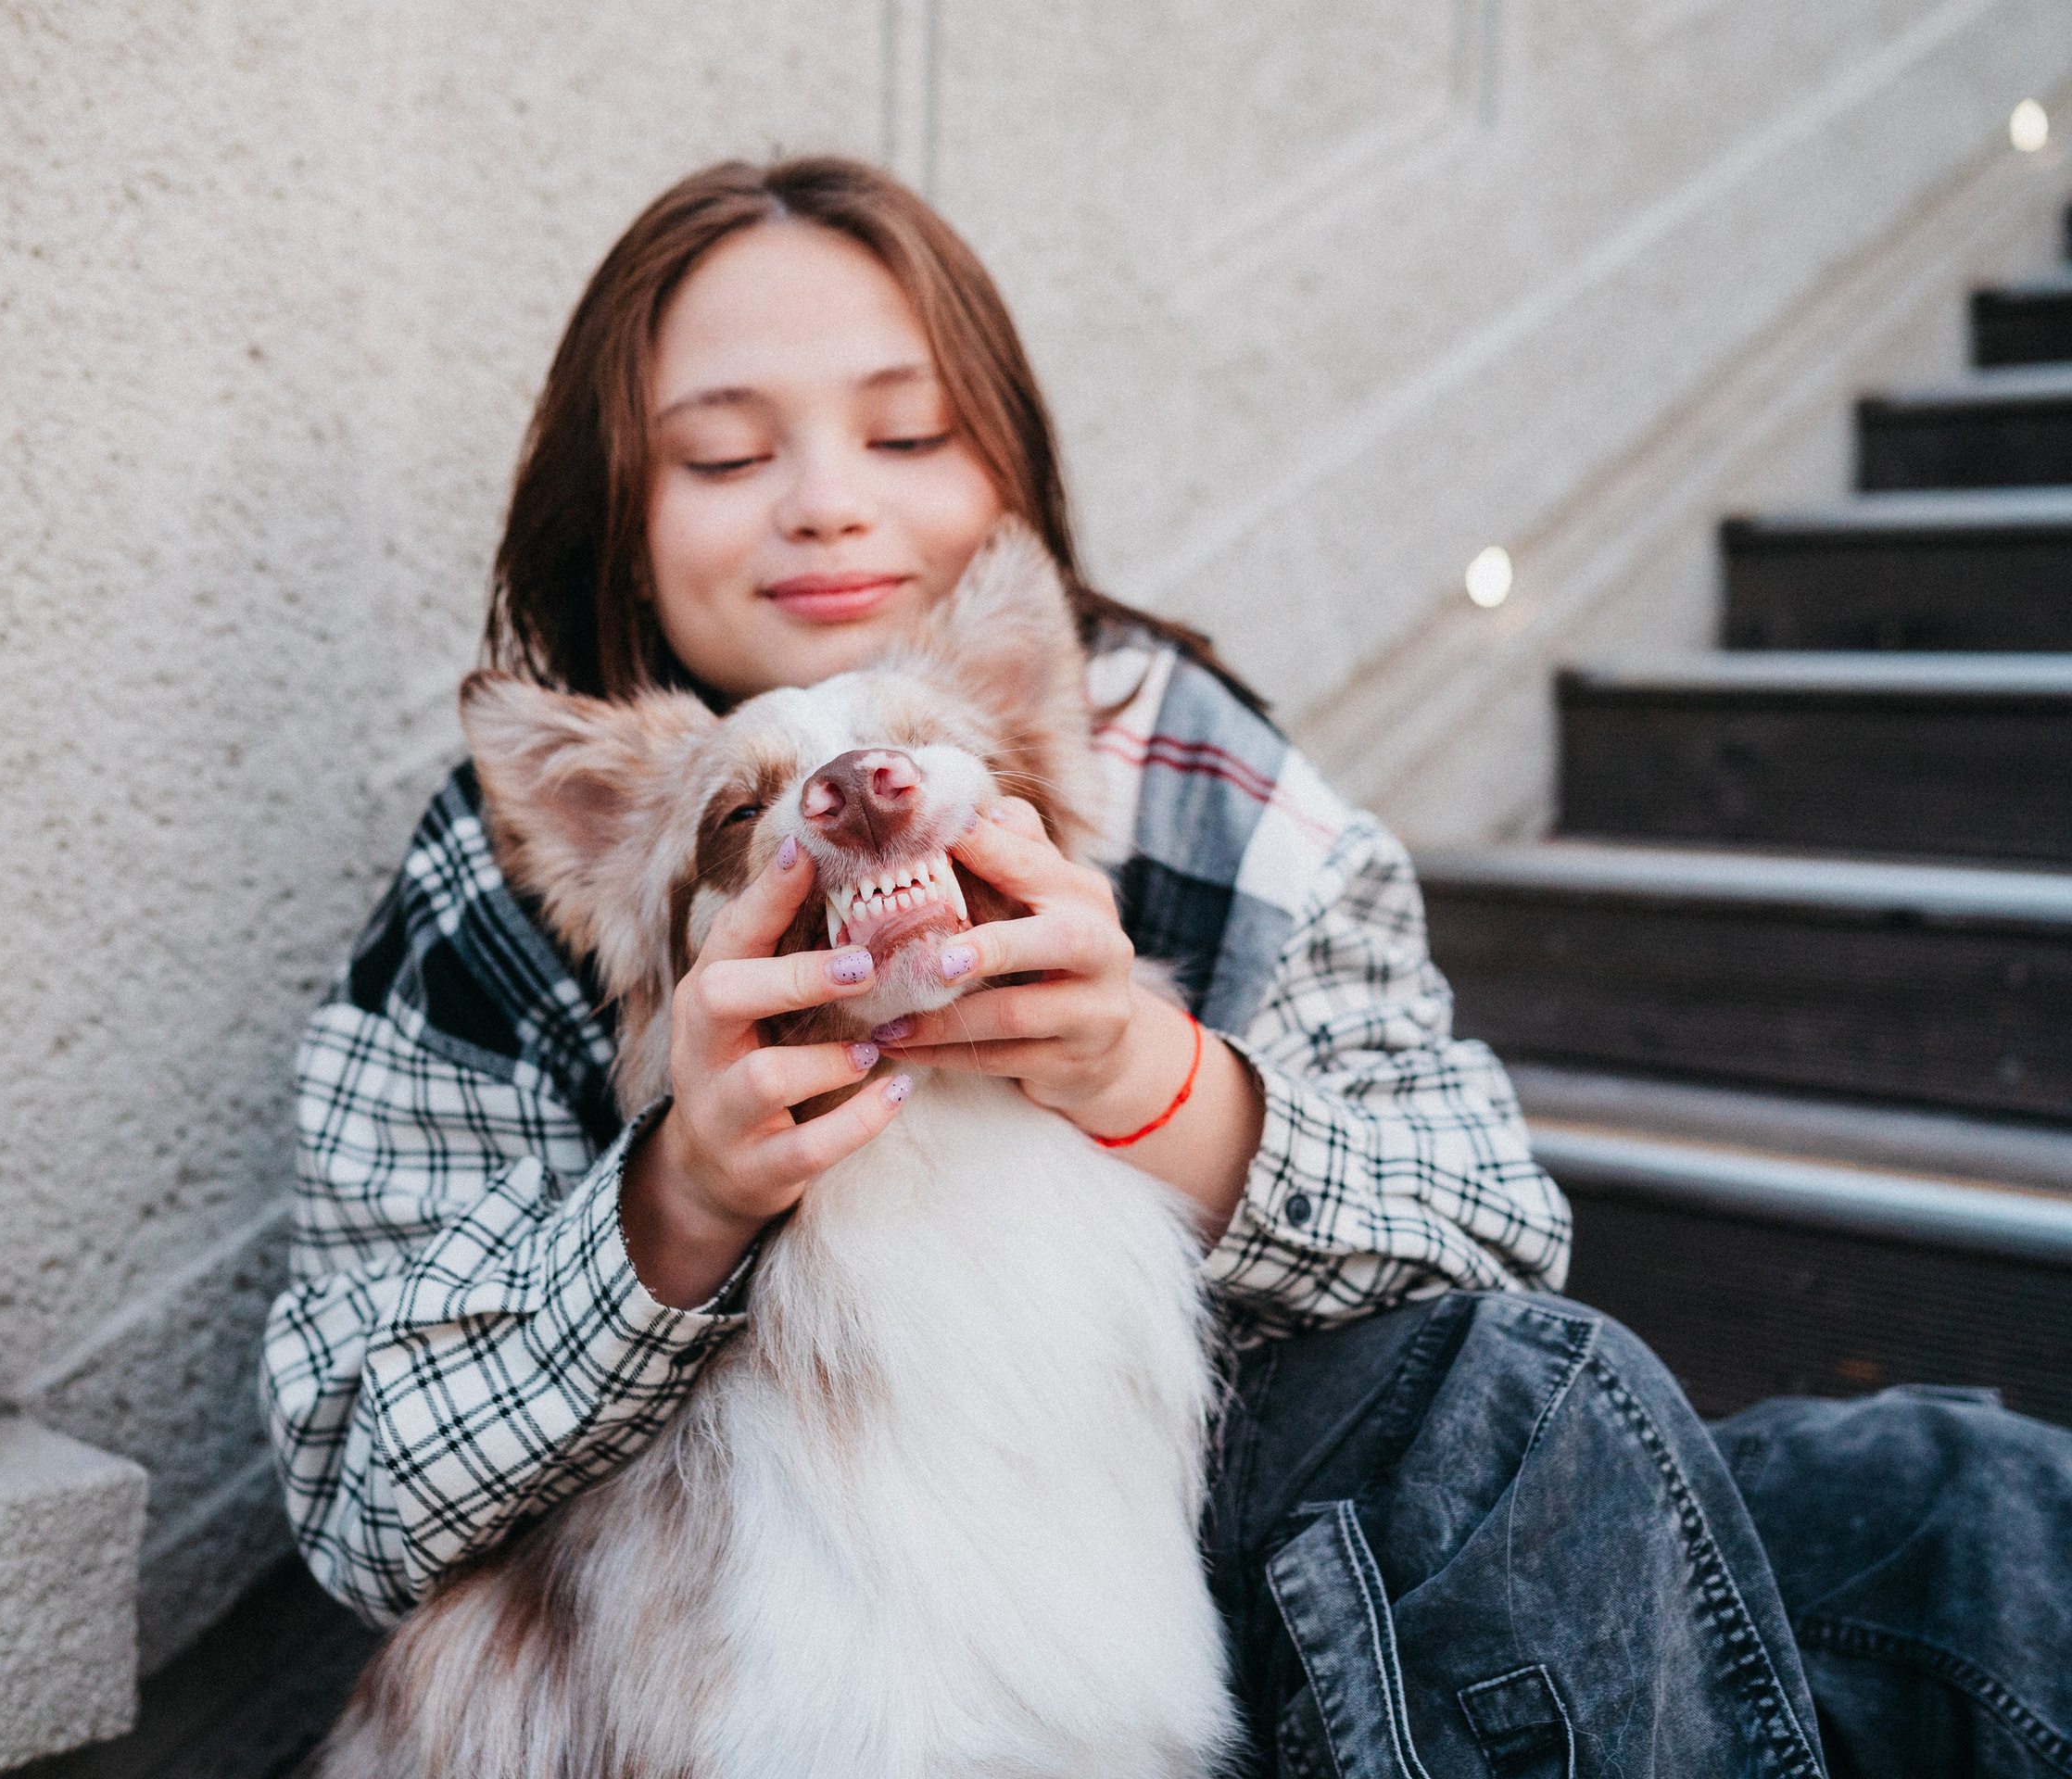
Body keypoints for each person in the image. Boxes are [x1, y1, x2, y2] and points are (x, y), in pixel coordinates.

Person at [262, 158, 2072, 1777]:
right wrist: (682, 1198)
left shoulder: (1206, 784)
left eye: (906, 437)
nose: (824, 505)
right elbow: (361, 1499)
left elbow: (1491, 1232)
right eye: (727, 454)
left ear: (1011, 480)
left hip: (1236, 1502)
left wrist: (1147, 1077)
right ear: (615, 511)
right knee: (1550, 1409)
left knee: (1950, 1504)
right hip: (777, 1593)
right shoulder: (512, 885)